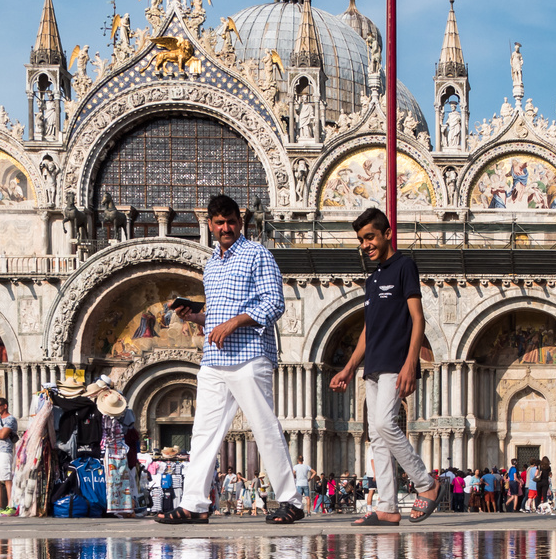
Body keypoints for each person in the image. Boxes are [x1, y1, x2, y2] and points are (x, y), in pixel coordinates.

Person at [165, 193, 303, 524]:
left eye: (231, 221)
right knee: (203, 432)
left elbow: (274, 303)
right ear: (210, 225)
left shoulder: (258, 255)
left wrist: (234, 322)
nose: (226, 227)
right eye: (219, 222)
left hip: (249, 355)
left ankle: (291, 500)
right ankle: (195, 504)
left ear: (240, 222)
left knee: (263, 427)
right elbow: (216, 317)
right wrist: (195, 317)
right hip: (214, 359)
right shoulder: (212, 263)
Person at [330, 209, 439, 525]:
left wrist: (411, 363)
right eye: (361, 240)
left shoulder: (405, 267)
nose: (366, 245)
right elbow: (369, 329)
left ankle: (426, 484)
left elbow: (418, 319)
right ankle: (388, 506)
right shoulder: (373, 278)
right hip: (374, 365)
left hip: (395, 361)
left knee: (385, 424)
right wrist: (349, 367)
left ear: (387, 233)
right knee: (376, 434)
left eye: (370, 237)